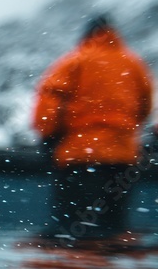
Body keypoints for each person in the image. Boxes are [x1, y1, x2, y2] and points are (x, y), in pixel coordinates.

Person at [32, 14, 153, 238]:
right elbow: (145, 107)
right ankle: (109, 267)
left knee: (73, 226)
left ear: (87, 34)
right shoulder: (134, 65)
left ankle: (76, 268)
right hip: (123, 159)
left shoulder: (75, 61)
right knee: (113, 225)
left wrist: (48, 137)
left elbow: (49, 103)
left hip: (80, 156)